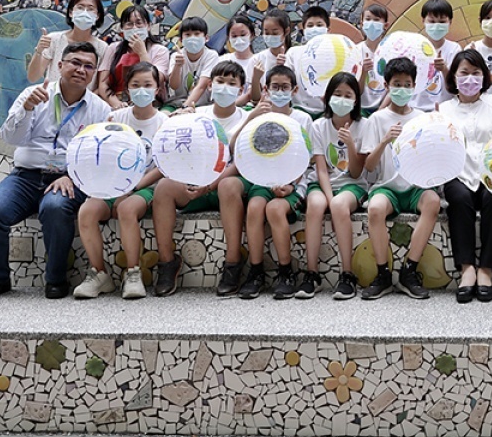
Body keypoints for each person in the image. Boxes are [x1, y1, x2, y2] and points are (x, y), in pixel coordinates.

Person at [0, 42, 111, 301]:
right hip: (25, 176)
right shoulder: (34, 95)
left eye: (88, 66)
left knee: (56, 208)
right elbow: (11, 138)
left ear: (93, 73)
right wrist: (25, 110)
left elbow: (101, 155)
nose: (81, 69)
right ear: (60, 65)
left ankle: (56, 279)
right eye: (75, 62)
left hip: (69, 179)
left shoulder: (100, 109)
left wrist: (72, 176)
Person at [217, 66, 316, 299]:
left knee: (274, 210)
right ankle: (256, 270)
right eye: (275, 87)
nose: (279, 92)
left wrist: (292, 185)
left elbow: (306, 157)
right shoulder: (258, 116)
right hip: (262, 180)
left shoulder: (303, 118)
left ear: (294, 90)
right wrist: (252, 117)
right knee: (253, 209)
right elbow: (234, 149)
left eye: (284, 87)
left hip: (293, 182)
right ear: (265, 89)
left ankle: (285, 271)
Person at [151, 61, 248, 297]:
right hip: (194, 185)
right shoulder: (195, 116)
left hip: (227, 185)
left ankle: (233, 263)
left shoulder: (247, 118)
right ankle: (167, 262)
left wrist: (209, 185)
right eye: (220, 82)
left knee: (228, 185)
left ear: (242, 89)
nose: (225, 87)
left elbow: (240, 163)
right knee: (164, 188)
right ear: (209, 86)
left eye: (232, 83)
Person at [73, 63, 167, 300]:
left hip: (145, 186)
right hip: (112, 185)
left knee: (126, 209)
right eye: (136, 85)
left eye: (148, 85)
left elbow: (164, 166)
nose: (141, 90)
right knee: (86, 211)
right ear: (127, 88)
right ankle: (99, 273)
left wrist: (134, 187)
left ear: (157, 89)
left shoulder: (164, 123)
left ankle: (133, 273)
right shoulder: (115, 118)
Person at [437, 49, 492, 303]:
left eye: (475, 73)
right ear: (453, 77)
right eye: (464, 73)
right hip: (457, 172)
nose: (470, 78)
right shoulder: (444, 108)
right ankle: (467, 268)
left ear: (484, 76)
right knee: (459, 199)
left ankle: (486, 269)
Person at [360, 57, 437, 300]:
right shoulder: (377, 119)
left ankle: (409, 270)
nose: (402, 89)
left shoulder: (422, 118)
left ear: (414, 86)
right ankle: (383, 274)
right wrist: (384, 141)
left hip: (415, 186)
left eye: (407, 84)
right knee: (375, 209)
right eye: (397, 84)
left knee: (433, 202)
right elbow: (369, 166)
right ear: (386, 85)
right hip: (387, 187)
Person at [298, 73, 369, 300]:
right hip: (323, 183)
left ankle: (347, 274)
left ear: (356, 100)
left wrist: (350, 145)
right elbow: (320, 169)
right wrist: (327, 196)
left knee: (339, 205)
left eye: (348, 95)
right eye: (337, 94)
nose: (342, 99)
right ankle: (312, 274)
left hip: (353, 184)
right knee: (316, 205)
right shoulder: (319, 126)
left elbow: (357, 171)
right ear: (328, 97)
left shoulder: (363, 125)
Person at [27, 0, 108, 90]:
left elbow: (101, 86)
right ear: (71, 12)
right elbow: (33, 77)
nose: (85, 12)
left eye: (90, 9)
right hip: (53, 101)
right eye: (80, 7)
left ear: (98, 16)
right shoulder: (54, 39)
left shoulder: (102, 48)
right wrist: (39, 51)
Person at [97, 4, 170, 110]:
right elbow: (103, 83)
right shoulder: (113, 49)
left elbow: (157, 79)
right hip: (117, 105)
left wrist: (142, 53)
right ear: (122, 28)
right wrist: (116, 104)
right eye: (129, 24)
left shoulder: (159, 50)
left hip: (151, 106)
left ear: (148, 26)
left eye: (139, 23)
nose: (134, 28)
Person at [414, 0, 462, 112]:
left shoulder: (454, 49)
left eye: (442, 22)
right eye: (432, 21)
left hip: (445, 110)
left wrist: (444, 69)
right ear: (423, 21)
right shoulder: (414, 47)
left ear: (450, 22)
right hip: (416, 108)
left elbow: (456, 86)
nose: (436, 26)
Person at [285, 5, 333, 116]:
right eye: (310, 25)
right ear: (304, 30)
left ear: (328, 30)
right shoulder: (293, 53)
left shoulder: (336, 53)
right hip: (299, 109)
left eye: (319, 25)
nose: (315, 28)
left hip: (327, 112)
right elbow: (287, 79)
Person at [165, 16, 219, 110]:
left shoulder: (211, 55)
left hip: (202, 105)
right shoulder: (176, 56)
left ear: (206, 38)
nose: (192, 37)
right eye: (188, 34)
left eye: (197, 34)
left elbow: (202, 86)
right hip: (176, 103)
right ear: (181, 40)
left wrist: (185, 108)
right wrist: (177, 66)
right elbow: (174, 86)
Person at [249, 8, 292, 104]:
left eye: (275, 33)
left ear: (287, 31)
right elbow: (255, 99)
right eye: (266, 33)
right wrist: (255, 79)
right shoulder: (257, 59)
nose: (270, 36)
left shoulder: (295, 56)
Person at [216, 15, 257, 107]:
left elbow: (251, 93)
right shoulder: (222, 60)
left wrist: (231, 107)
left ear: (252, 35)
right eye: (234, 36)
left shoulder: (258, 61)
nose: (238, 39)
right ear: (228, 38)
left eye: (243, 35)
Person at [357, 3, 390, 114]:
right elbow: (354, 90)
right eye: (368, 19)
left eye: (376, 20)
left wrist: (381, 111)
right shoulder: (355, 51)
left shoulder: (392, 51)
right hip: (360, 109)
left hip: (385, 109)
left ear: (385, 25)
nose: (372, 23)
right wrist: (363, 72)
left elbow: (395, 86)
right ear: (362, 24)